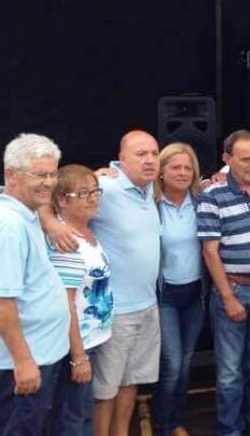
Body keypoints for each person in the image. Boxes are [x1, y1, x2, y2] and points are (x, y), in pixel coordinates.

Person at [44, 130, 162, 436]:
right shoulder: (104, 186)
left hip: (148, 304)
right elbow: (49, 194)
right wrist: (52, 224)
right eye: (140, 154)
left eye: (154, 153)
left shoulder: (151, 189)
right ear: (121, 159)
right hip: (115, 312)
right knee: (104, 391)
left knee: (130, 381)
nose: (150, 160)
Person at [0, 133, 70, 435]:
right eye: (40, 174)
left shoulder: (19, 211)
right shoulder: (8, 226)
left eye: (53, 174)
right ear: (10, 175)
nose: (49, 182)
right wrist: (24, 362)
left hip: (39, 354)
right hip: (27, 363)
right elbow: (0, 301)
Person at [198, 130, 250, 436]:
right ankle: (229, 428)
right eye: (245, 159)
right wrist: (227, 297)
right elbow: (210, 252)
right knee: (230, 370)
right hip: (232, 288)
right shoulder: (212, 196)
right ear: (226, 159)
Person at [48, 165, 114, 436]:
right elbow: (66, 303)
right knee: (73, 420)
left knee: (83, 411)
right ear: (62, 199)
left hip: (93, 341)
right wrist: (78, 357)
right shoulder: (66, 241)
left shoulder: (87, 232)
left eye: (95, 191)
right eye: (83, 193)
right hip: (77, 346)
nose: (93, 198)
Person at [153, 143, 205, 436]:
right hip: (166, 296)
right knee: (172, 364)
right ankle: (163, 424)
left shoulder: (201, 200)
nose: (182, 173)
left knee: (185, 364)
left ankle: (175, 419)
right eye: (175, 167)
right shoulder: (150, 204)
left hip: (195, 293)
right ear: (161, 171)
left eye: (188, 167)